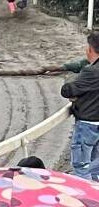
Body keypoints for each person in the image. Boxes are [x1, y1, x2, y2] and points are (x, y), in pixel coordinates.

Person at [61, 32, 99, 181]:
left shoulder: (90, 72)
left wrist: (73, 76)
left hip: (87, 125)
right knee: (96, 165)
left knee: (81, 166)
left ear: (90, 50)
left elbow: (67, 90)